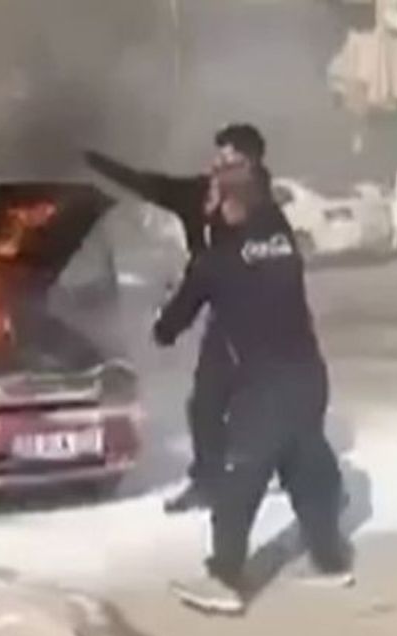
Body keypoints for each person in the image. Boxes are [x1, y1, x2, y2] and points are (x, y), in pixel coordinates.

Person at [152, 157, 352, 616]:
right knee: (306, 466)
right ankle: (330, 560)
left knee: (239, 479)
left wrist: (162, 327)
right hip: (309, 375)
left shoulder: (217, 260)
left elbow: (175, 319)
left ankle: (224, 577)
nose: (206, 204)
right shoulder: (282, 239)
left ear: (230, 204)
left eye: (212, 197)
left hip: (264, 386)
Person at [85, 124, 273, 514]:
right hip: (221, 312)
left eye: (231, 156)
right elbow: (150, 185)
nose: (219, 161)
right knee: (205, 403)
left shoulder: (258, 202)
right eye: (220, 153)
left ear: (250, 163)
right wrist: (94, 161)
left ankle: (299, 475)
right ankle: (209, 481)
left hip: (257, 312)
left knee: (259, 399)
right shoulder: (198, 193)